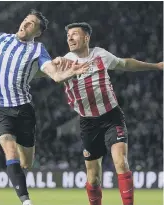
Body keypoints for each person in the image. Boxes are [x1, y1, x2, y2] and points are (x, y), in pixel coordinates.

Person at [0, 10, 90, 205]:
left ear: (38, 32)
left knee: (26, 163)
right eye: (25, 20)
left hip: (23, 110)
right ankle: (26, 201)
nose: (26, 24)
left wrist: (69, 73)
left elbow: (54, 74)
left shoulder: (38, 50)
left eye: (32, 24)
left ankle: (20, 179)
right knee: (10, 149)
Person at [62, 22, 163, 205]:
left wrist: (155, 65)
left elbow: (125, 64)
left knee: (121, 162)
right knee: (93, 177)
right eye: (68, 35)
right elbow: (43, 72)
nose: (70, 37)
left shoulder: (100, 55)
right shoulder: (64, 62)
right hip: (88, 123)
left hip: (111, 116)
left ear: (86, 37)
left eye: (74, 34)